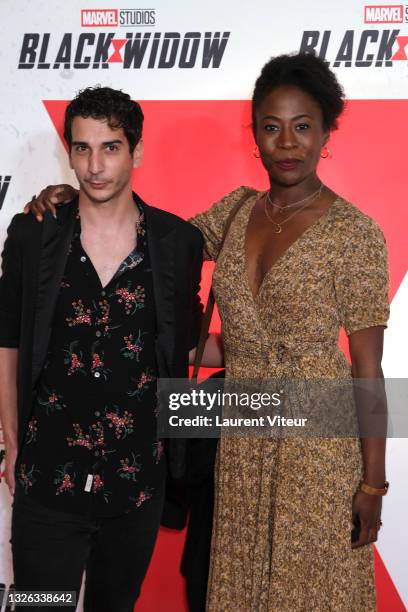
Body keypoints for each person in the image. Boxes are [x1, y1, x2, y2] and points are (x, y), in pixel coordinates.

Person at [25, 53, 390, 611]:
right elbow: (146, 239)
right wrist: (82, 199)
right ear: (256, 137)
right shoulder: (237, 212)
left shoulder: (357, 233)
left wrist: (372, 485)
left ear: (325, 134)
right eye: (271, 127)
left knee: (313, 591)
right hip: (241, 438)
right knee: (238, 589)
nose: (286, 142)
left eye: (302, 127)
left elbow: (368, 371)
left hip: (319, 443)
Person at [0, 86, 204, 611]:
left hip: (135, 485)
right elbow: (9, 342)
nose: (94, 165)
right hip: (48, 479)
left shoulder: (176, 243)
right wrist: (11, 441)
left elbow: (187, 343)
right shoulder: (33, 233)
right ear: (67, 151)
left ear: (136, 152)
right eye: (82, 148)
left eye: (110, 147)